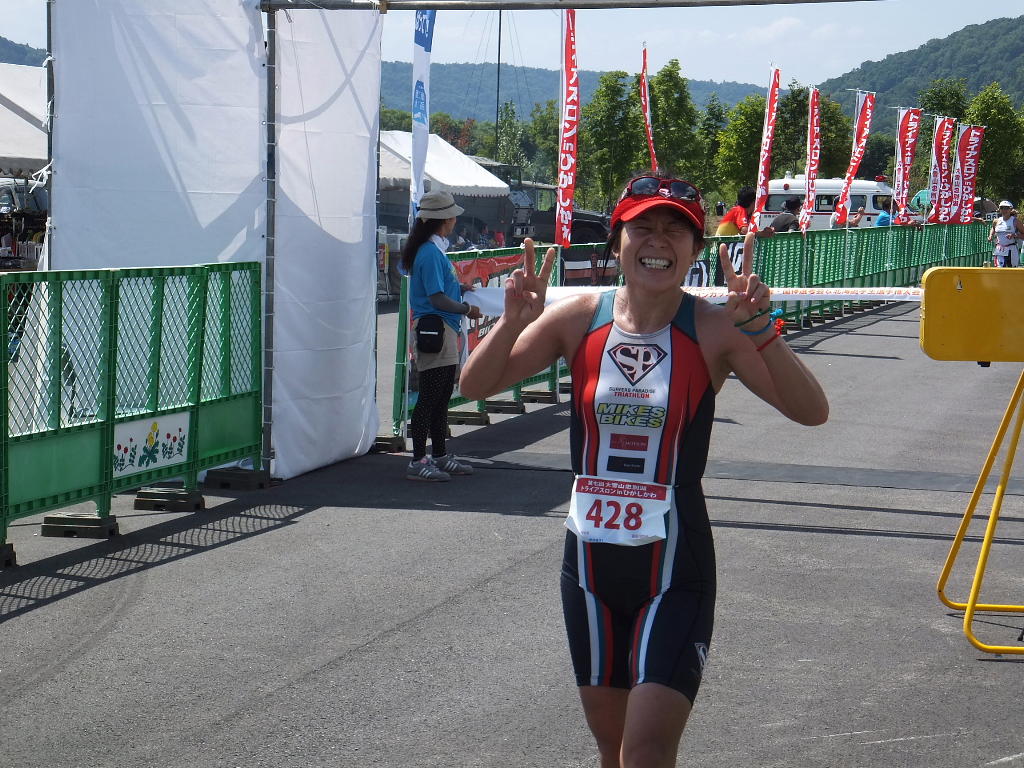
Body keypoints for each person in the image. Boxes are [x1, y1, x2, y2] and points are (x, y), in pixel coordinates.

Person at [460, 172, 828, 767]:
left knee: (647, 750)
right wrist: (513, 319)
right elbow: (476, 385)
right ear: (617, 242)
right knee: (612, 749)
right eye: (643, 227)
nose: (658, 241)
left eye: (675, 231)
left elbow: (812, 411)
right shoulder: (578, 318)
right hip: (589, 565)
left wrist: (761, 329)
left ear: (696, 249)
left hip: (675, 565)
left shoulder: (714, 327)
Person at [401, 190, 482, 481]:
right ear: (444, 219)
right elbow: (436, 298)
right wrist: (466, 307)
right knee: (431, 398)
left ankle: (438, 455)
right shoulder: (430, 253)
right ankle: (419, 460)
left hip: (439, 328)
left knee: (440, 396)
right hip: (436, 328)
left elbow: (435, 291)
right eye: (452, 216)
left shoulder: (430, 250)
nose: (455, 221)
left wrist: (459, 289)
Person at [988, 201, 1024, 267]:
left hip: (1011, 249)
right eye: (1002, 208)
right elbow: (993, 228)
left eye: (1006, 208)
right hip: (1000, 249)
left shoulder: (1016, 221)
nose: (1004, 210)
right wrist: (990, 235)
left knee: (1012, 269)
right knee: (999, 269)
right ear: (999, 210)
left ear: (1010, 209)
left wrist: (1014, 235)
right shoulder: (996, 221)